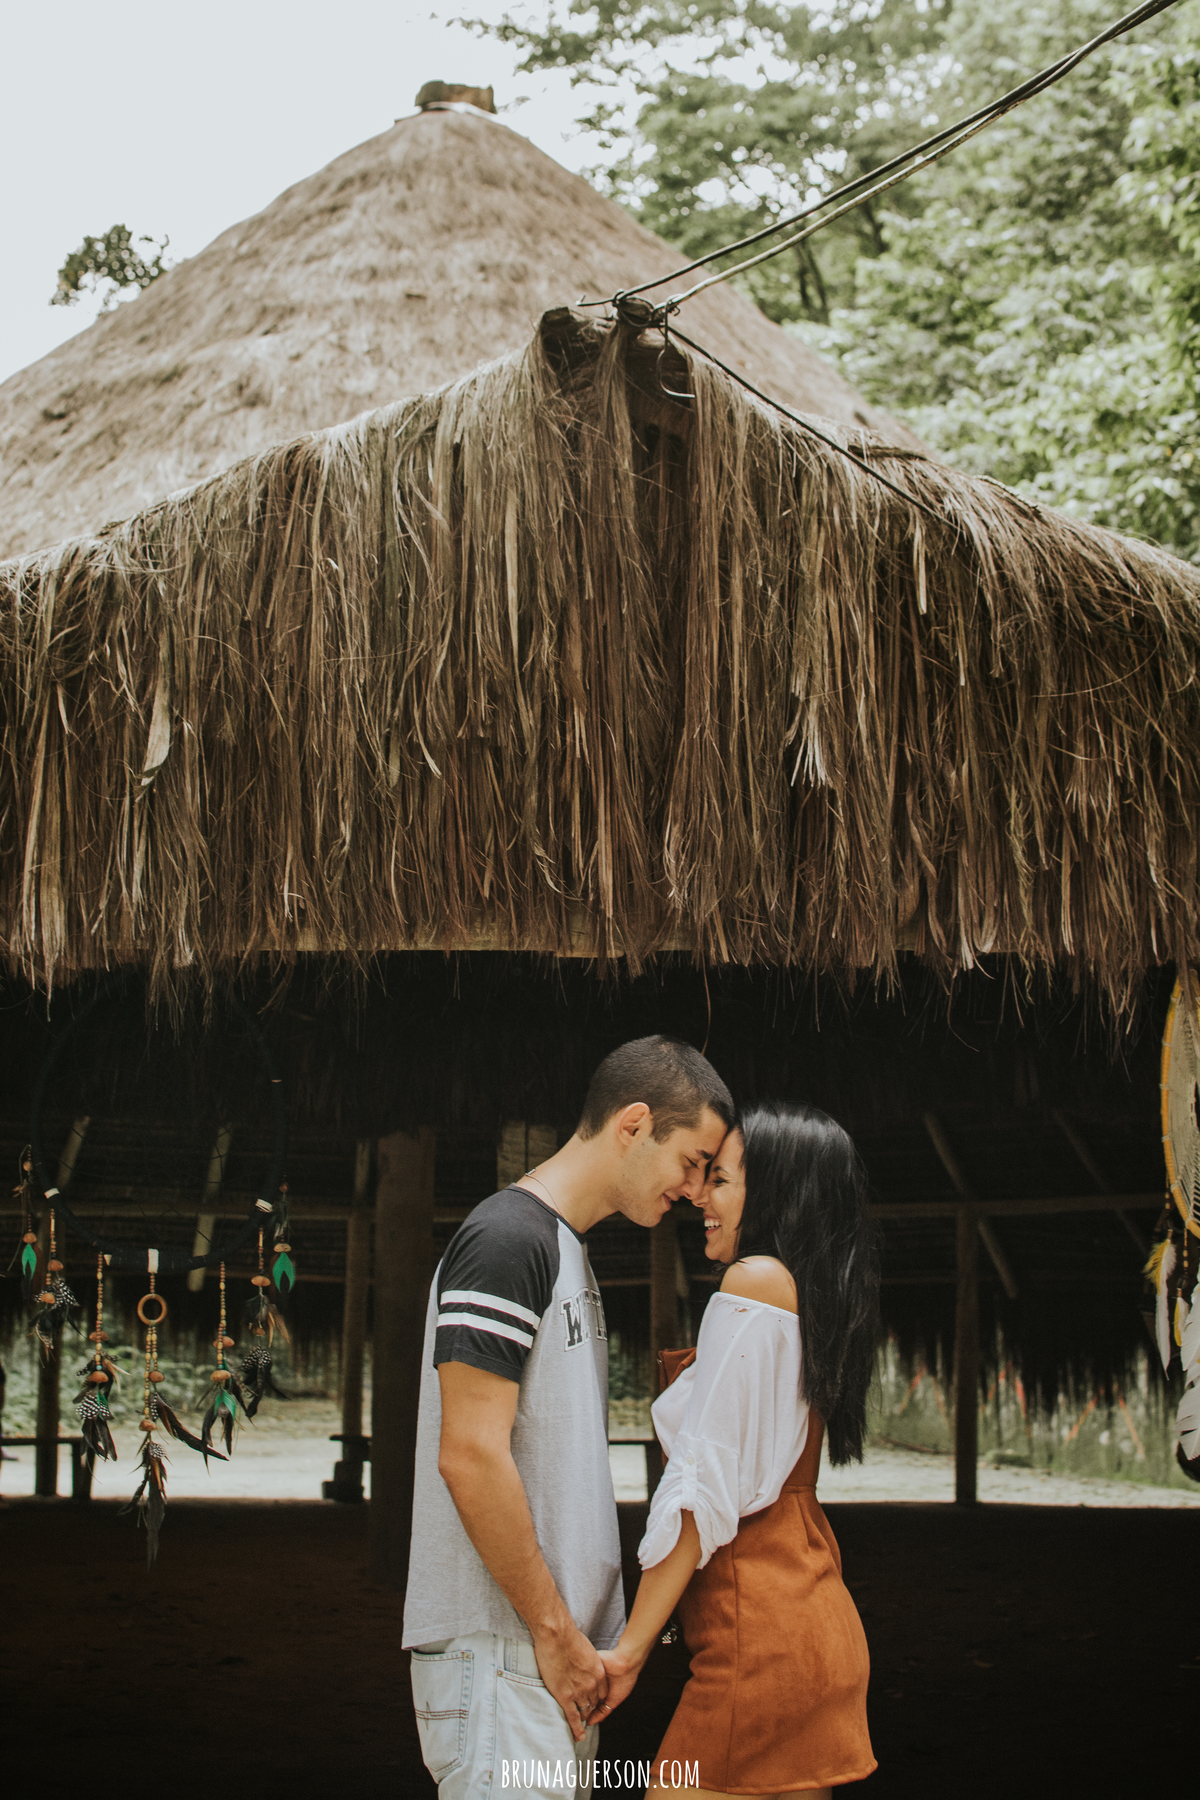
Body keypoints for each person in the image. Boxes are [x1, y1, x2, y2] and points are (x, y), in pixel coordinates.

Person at [403, 1035, 735, 1799]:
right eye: (690, 1161)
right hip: (504, 1658)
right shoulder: (507, 1241)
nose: (694, 1189)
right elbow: (470, 1455)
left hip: (543, 1663)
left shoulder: (562, 1249)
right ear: (633, 1123)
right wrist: (554, 1634)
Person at [594, 1101, 881, 1798]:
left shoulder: (753, 1284)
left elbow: (702, 1492)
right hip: (813, 1625)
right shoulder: (805, 1296)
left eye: (719, 1180)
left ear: (774, 1192)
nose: (699, 1196)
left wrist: (628, 1652)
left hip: (762, 1640)